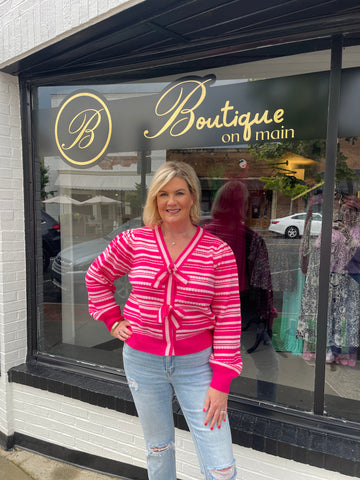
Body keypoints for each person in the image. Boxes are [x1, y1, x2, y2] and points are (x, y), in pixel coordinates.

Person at [85, 161, 242, 480]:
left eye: (180, 193)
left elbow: (227, 315)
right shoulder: (134, 241)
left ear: (193, 197)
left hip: (196, 366)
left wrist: (221, 380)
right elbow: (97, 275)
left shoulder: (217, 251)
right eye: (163, 194)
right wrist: (113, 319)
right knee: (158, 449)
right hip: (142, 362)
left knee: (221, 467)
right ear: (154, 200)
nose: (172, 202)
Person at [203, 180, 278, 401]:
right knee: (268, 364)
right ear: (242, 205)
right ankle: (265, 408)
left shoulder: (201, 235)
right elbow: (263, 285)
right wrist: (267, 317)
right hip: (242, 310)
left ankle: (208, 404)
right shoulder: (252, 239)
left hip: (203, 309)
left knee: (205, 362)